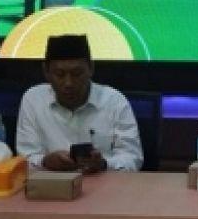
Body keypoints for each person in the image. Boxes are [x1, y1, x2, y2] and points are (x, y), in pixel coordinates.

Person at [16, 34, 143, 172]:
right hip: (52, 182)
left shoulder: (114, 101)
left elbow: (133, 158)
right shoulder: (33, 99)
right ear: (46, 72)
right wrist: (45, 161)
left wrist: (103, 164)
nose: (68, 83)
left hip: (103, 181)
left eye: (77, 74)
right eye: (59, 74)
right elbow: (24, 158)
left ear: (91, 69)